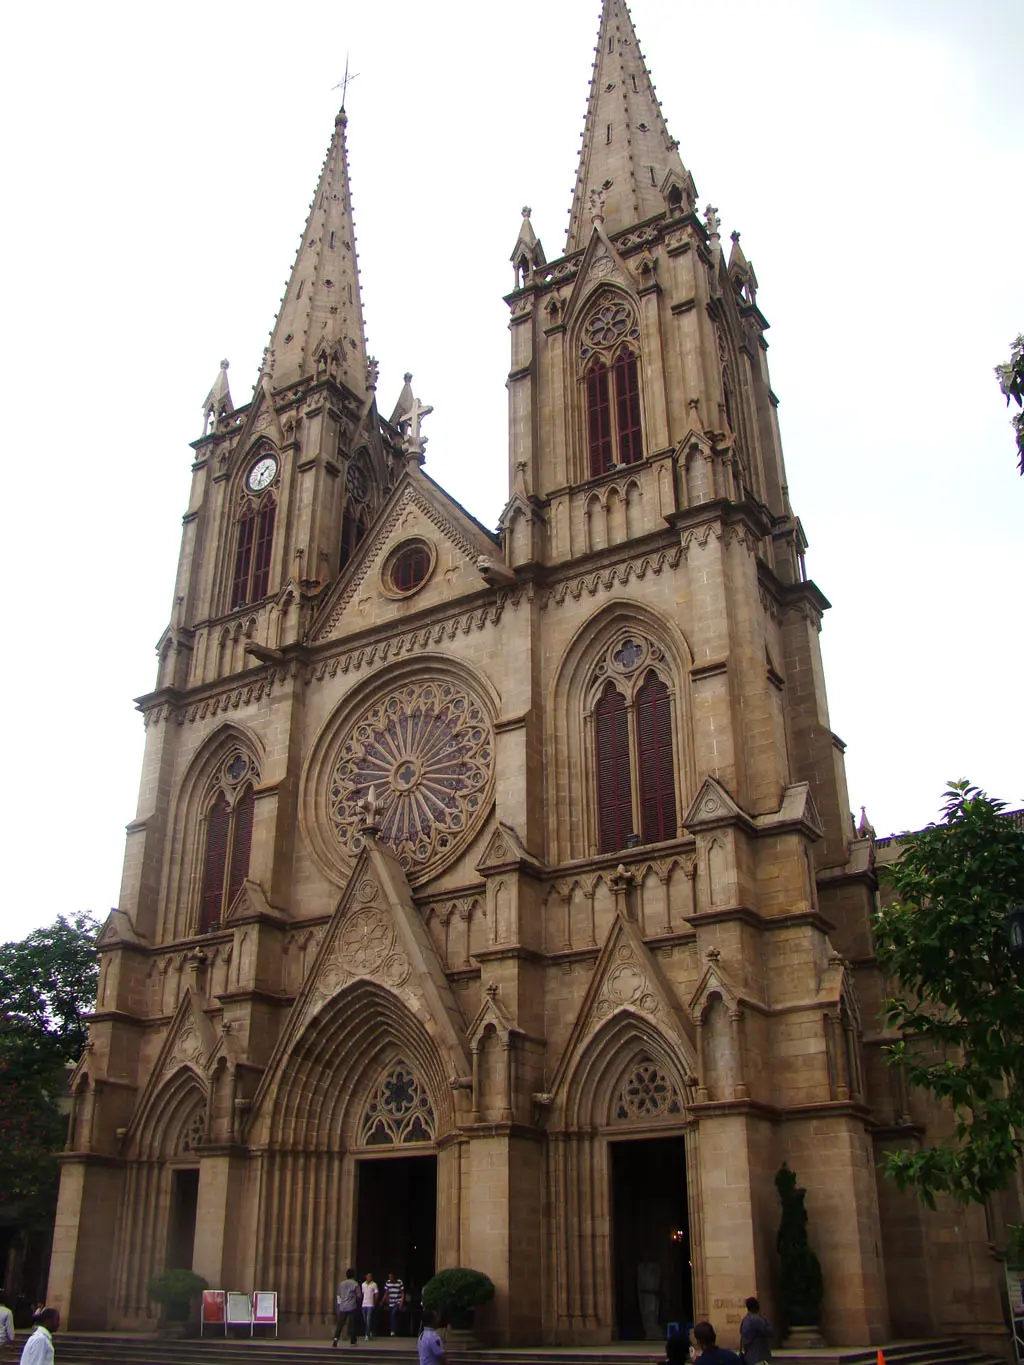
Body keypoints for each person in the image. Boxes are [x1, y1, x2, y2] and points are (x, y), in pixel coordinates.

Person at [739, 1297, 772, 1365]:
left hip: (749, 1356)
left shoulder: (745, 1320)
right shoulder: (756, 1319)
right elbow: (769, 1331)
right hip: (758, 1357)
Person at [333, 1268, 361, 1348]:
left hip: (343, 1306)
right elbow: (359, 1296)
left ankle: (335, 1338)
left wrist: (339, 1304)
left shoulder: (341, 1284)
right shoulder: (355, 1284)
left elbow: (338, 1295)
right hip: (351, 1306)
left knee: (340, 1324)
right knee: (352, 1324)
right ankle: (353, 1341)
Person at [383, 1272, 404, 1336]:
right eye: (389, 1277)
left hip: (397, 1301)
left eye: (391, 1277)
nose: (390, 1279)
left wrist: (401, 1303)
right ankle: (393, 1329)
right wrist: (383, 1301)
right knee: (393, 1316)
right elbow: (386, 1293)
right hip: (390, 1302)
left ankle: (392, 1331)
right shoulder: (388, 1282)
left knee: (393, 1314)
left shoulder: (399, 1282)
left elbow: (402, 1293)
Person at [360, 1273, 379, 1341]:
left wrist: (374, 1302)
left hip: (370, 1304)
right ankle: (369, 1331)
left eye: (370, 1276)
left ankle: (367, 1335)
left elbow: (376, 1294)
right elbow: (363, 1294)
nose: (369, 1277)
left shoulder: (374, 1284)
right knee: (365, 1320)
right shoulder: (363, 1284)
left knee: (368, 1319)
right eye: (368, 1276)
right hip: (364, 1304)